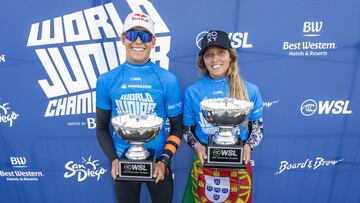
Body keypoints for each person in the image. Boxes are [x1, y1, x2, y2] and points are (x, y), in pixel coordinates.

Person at [96, 12, 183, 203]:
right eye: (131, 34)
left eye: (144, 36)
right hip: (123, 166)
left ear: (153, 41)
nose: (137, 41)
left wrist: (164, 160)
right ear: (122, 38)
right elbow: (101, 128)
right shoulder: (107, 80)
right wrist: (114, 160)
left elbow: (178, 128)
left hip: (159, 164)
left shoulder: (168, 80)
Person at [182, 30, 264, 203]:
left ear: (231, 56)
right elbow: (187, 130)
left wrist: (249, 146)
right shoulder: (192, 91)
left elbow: (257, 128)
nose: (215, 59)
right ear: (203, 61)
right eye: (209, 55)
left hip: (238, 159)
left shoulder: (250, 90)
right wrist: (197, 146)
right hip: (205, 160)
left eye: (221, 53)